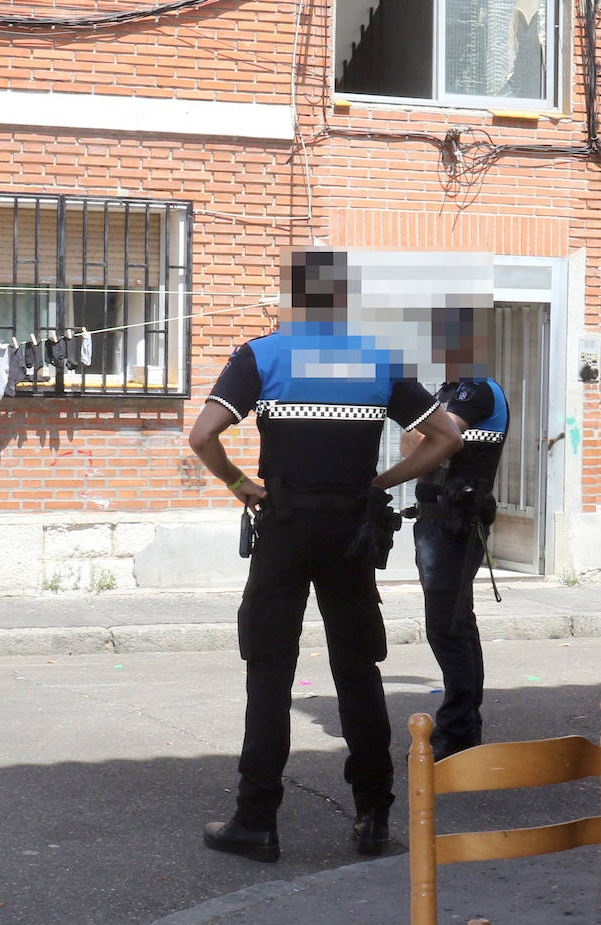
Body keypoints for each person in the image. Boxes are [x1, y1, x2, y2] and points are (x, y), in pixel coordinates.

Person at [188, 249, 463, 863]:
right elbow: (446, 436)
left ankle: (256, 822)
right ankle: (373, 820)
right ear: (345, 299)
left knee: (269, 670)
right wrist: (381, 482)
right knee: (359, 671)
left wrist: (239, 485)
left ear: (292, 298)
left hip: (283, 526)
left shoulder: (262, 354)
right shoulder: (379, 358)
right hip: (350, 531)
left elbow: (203, 435)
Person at [401, 377, 510, 759]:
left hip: (456, 525)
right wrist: (422, 432)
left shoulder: (476, 391)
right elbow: (415, 450)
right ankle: (464, 726)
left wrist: (421, 430)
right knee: (455, 623)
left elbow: (422, 441)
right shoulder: (445, 392)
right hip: (434, 524)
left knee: (446, 627)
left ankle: (458, 729)